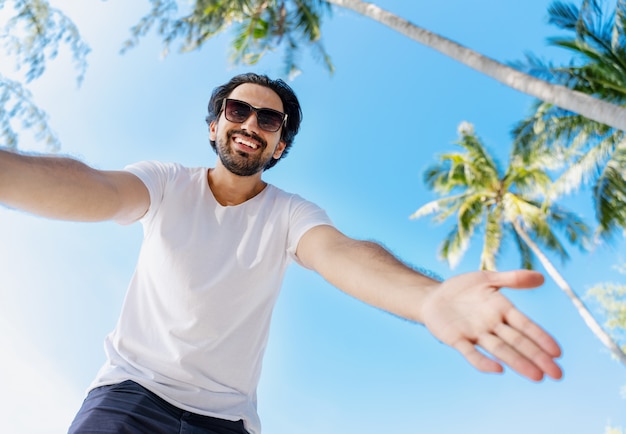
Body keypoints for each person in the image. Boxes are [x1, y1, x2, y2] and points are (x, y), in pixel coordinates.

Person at [0, 73, 562, 434]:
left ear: (280, 145)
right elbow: (95, 189)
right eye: (238, 110)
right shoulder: (167, 183)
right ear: (216, 124)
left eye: (268, 120)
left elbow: (340, 254)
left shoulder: (290, 214)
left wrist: (428, 297)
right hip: (129, 398)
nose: (250, 125)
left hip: (225, 421)